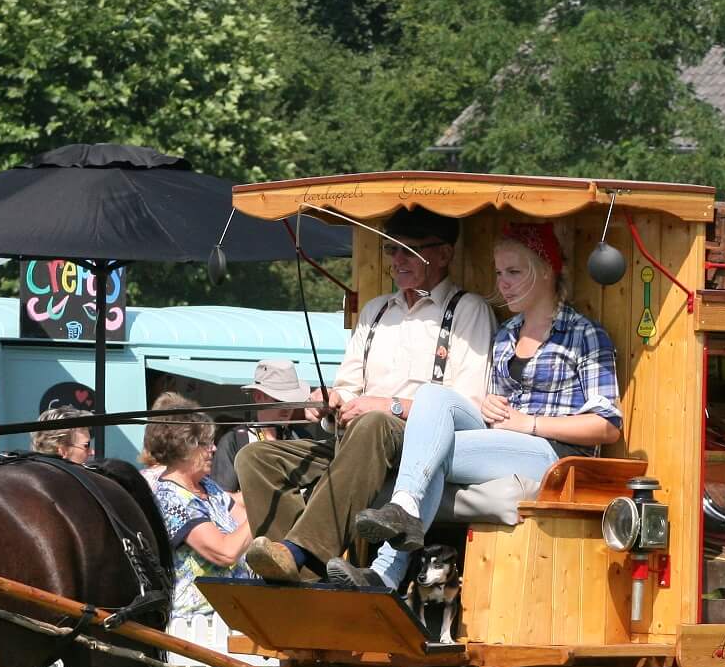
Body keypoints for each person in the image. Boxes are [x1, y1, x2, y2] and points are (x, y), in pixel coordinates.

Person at [339, 221, 622, 591]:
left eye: (514, 272)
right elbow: (491, 411)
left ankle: (386, 569)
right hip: (503, 444)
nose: (503, 283)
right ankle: (402, 512)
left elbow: (607, 425)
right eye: (499, 273)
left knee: (433, 451)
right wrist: (489, 405)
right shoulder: (506, 335)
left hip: (557, 458)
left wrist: (530, 423)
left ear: (546, 270)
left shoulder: (583, 333)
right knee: (433, 397)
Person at [238, 206, 495, 583]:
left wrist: (388, 406)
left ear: (443, 254)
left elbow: (468, 407)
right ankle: (300, 576)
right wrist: (330, 403)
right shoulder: (375, 312)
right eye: (391, 250)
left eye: (409, 251)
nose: (396, 260)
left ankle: (299, 553)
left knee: (374, 422)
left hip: (417, 445)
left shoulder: (468, 310)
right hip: (357, 440)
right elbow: (348, 389)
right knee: (255, 457)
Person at [145, 392, 251, 621]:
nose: (214, 449)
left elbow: (244, 521)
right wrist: (266, 509)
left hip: (235, 615)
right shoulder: (171, 499)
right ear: (184, 447)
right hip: (197, 624)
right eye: (206, 443)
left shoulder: (208, 486)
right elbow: (225, 552)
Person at [211, 358, 323, 496]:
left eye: (292, 400)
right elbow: (222, 500)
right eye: (280, 400)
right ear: (258, 397)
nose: (287, 407)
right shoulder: (234, 441)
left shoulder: (302, 437)